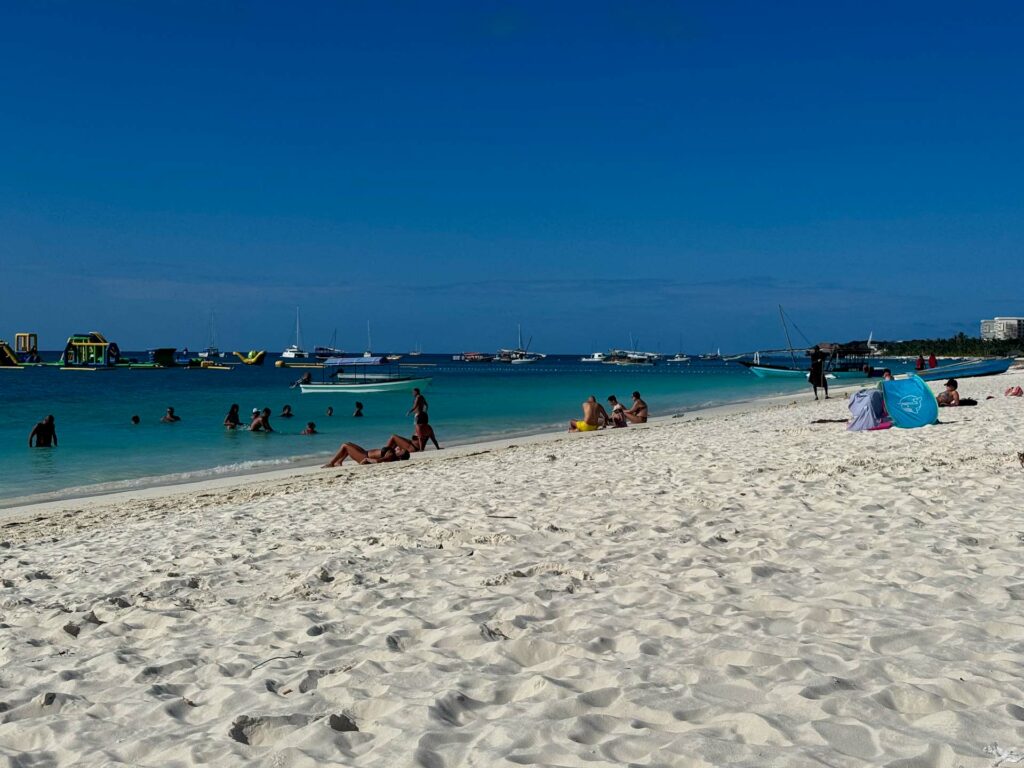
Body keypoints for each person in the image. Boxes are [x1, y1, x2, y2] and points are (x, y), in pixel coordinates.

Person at [322, 440, 411, 467]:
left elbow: (378, 461)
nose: (399, 448)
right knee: (348, 443)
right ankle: (339, 462)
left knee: (345, 445)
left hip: (364, 456)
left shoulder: (391, 455)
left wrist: (367, 459)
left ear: (400, 455)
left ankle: (331, 463)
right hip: (365, 452)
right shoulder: (393, 454)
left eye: (401, 450)